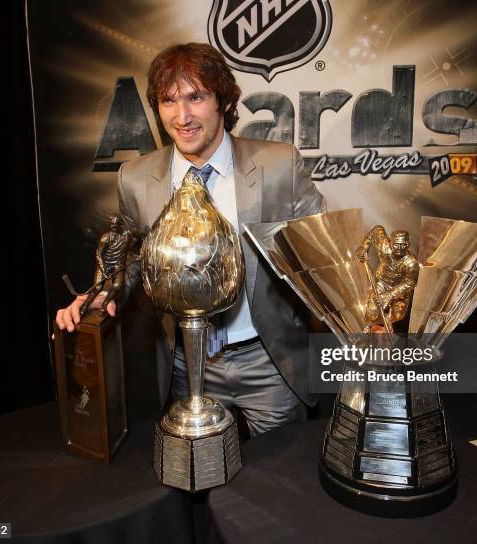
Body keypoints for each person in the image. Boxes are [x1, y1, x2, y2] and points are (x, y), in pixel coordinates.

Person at [56, 42, 326, 437]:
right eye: (168, 101)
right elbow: (134, 262)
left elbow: (324, 249)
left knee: (277, 481)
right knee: (197, 483)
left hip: (268, 361)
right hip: (186, 362)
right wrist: (101, 293)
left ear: (223, 101)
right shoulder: (135, 178)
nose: (181, 116)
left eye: (195, 97)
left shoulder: (278, 164)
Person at [356, 226, 418, 333]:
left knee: (398, 315)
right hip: (382, 282)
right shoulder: (384, 247)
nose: (399, 248)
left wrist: (389, 296)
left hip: (400, 288)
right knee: (372, 309)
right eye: (396, 244)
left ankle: (387, 323)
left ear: (408, 244)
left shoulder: (411, 262)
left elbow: (410, 282)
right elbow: (377, 230)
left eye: (402, 245)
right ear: (390, 243)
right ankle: (368, 326)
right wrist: (364, 247)